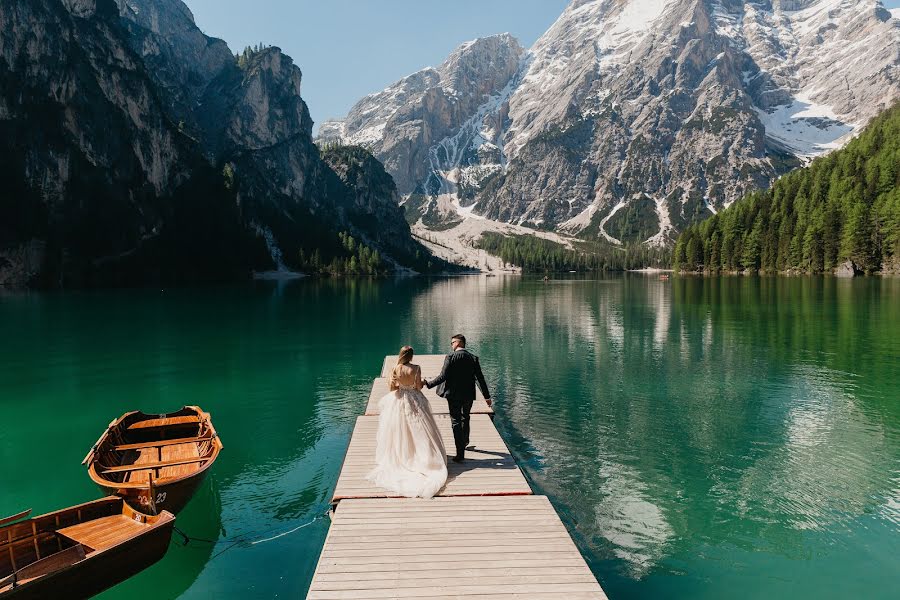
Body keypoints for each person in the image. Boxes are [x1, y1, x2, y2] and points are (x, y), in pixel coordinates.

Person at [367, 346, 448, 498]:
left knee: (399, 428)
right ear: (411, 355)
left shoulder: (396, 368)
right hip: (414, 399)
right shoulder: (416, 368)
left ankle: (402, 455)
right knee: (420, 429)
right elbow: (418, 386)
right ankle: (422, 456)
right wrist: (422, 382)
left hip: (399, 398)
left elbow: (392, 387)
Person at [424, 334, 491, 462]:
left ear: (458, 343)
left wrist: (429, 384)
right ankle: (465, 440)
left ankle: (460, 454)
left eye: (452, 342)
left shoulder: (450, 357)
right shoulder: (473, 358)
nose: (451, 345)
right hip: (468, 394)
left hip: (453, 395)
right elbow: (480, 378)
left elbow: (442, 376)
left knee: (456, 421)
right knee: (466, 416)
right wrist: (487, 397)